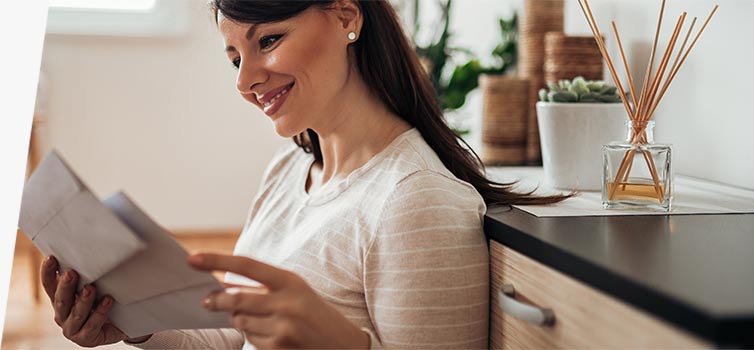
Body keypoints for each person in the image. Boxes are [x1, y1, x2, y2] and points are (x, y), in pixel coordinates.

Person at [39, 1, 567, 349]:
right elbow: (233, 341)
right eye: (234, 57)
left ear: (344, 16)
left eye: (268, 41)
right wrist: (136, 325)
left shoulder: (416, 201)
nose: (246, 81)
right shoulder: (291, 171)